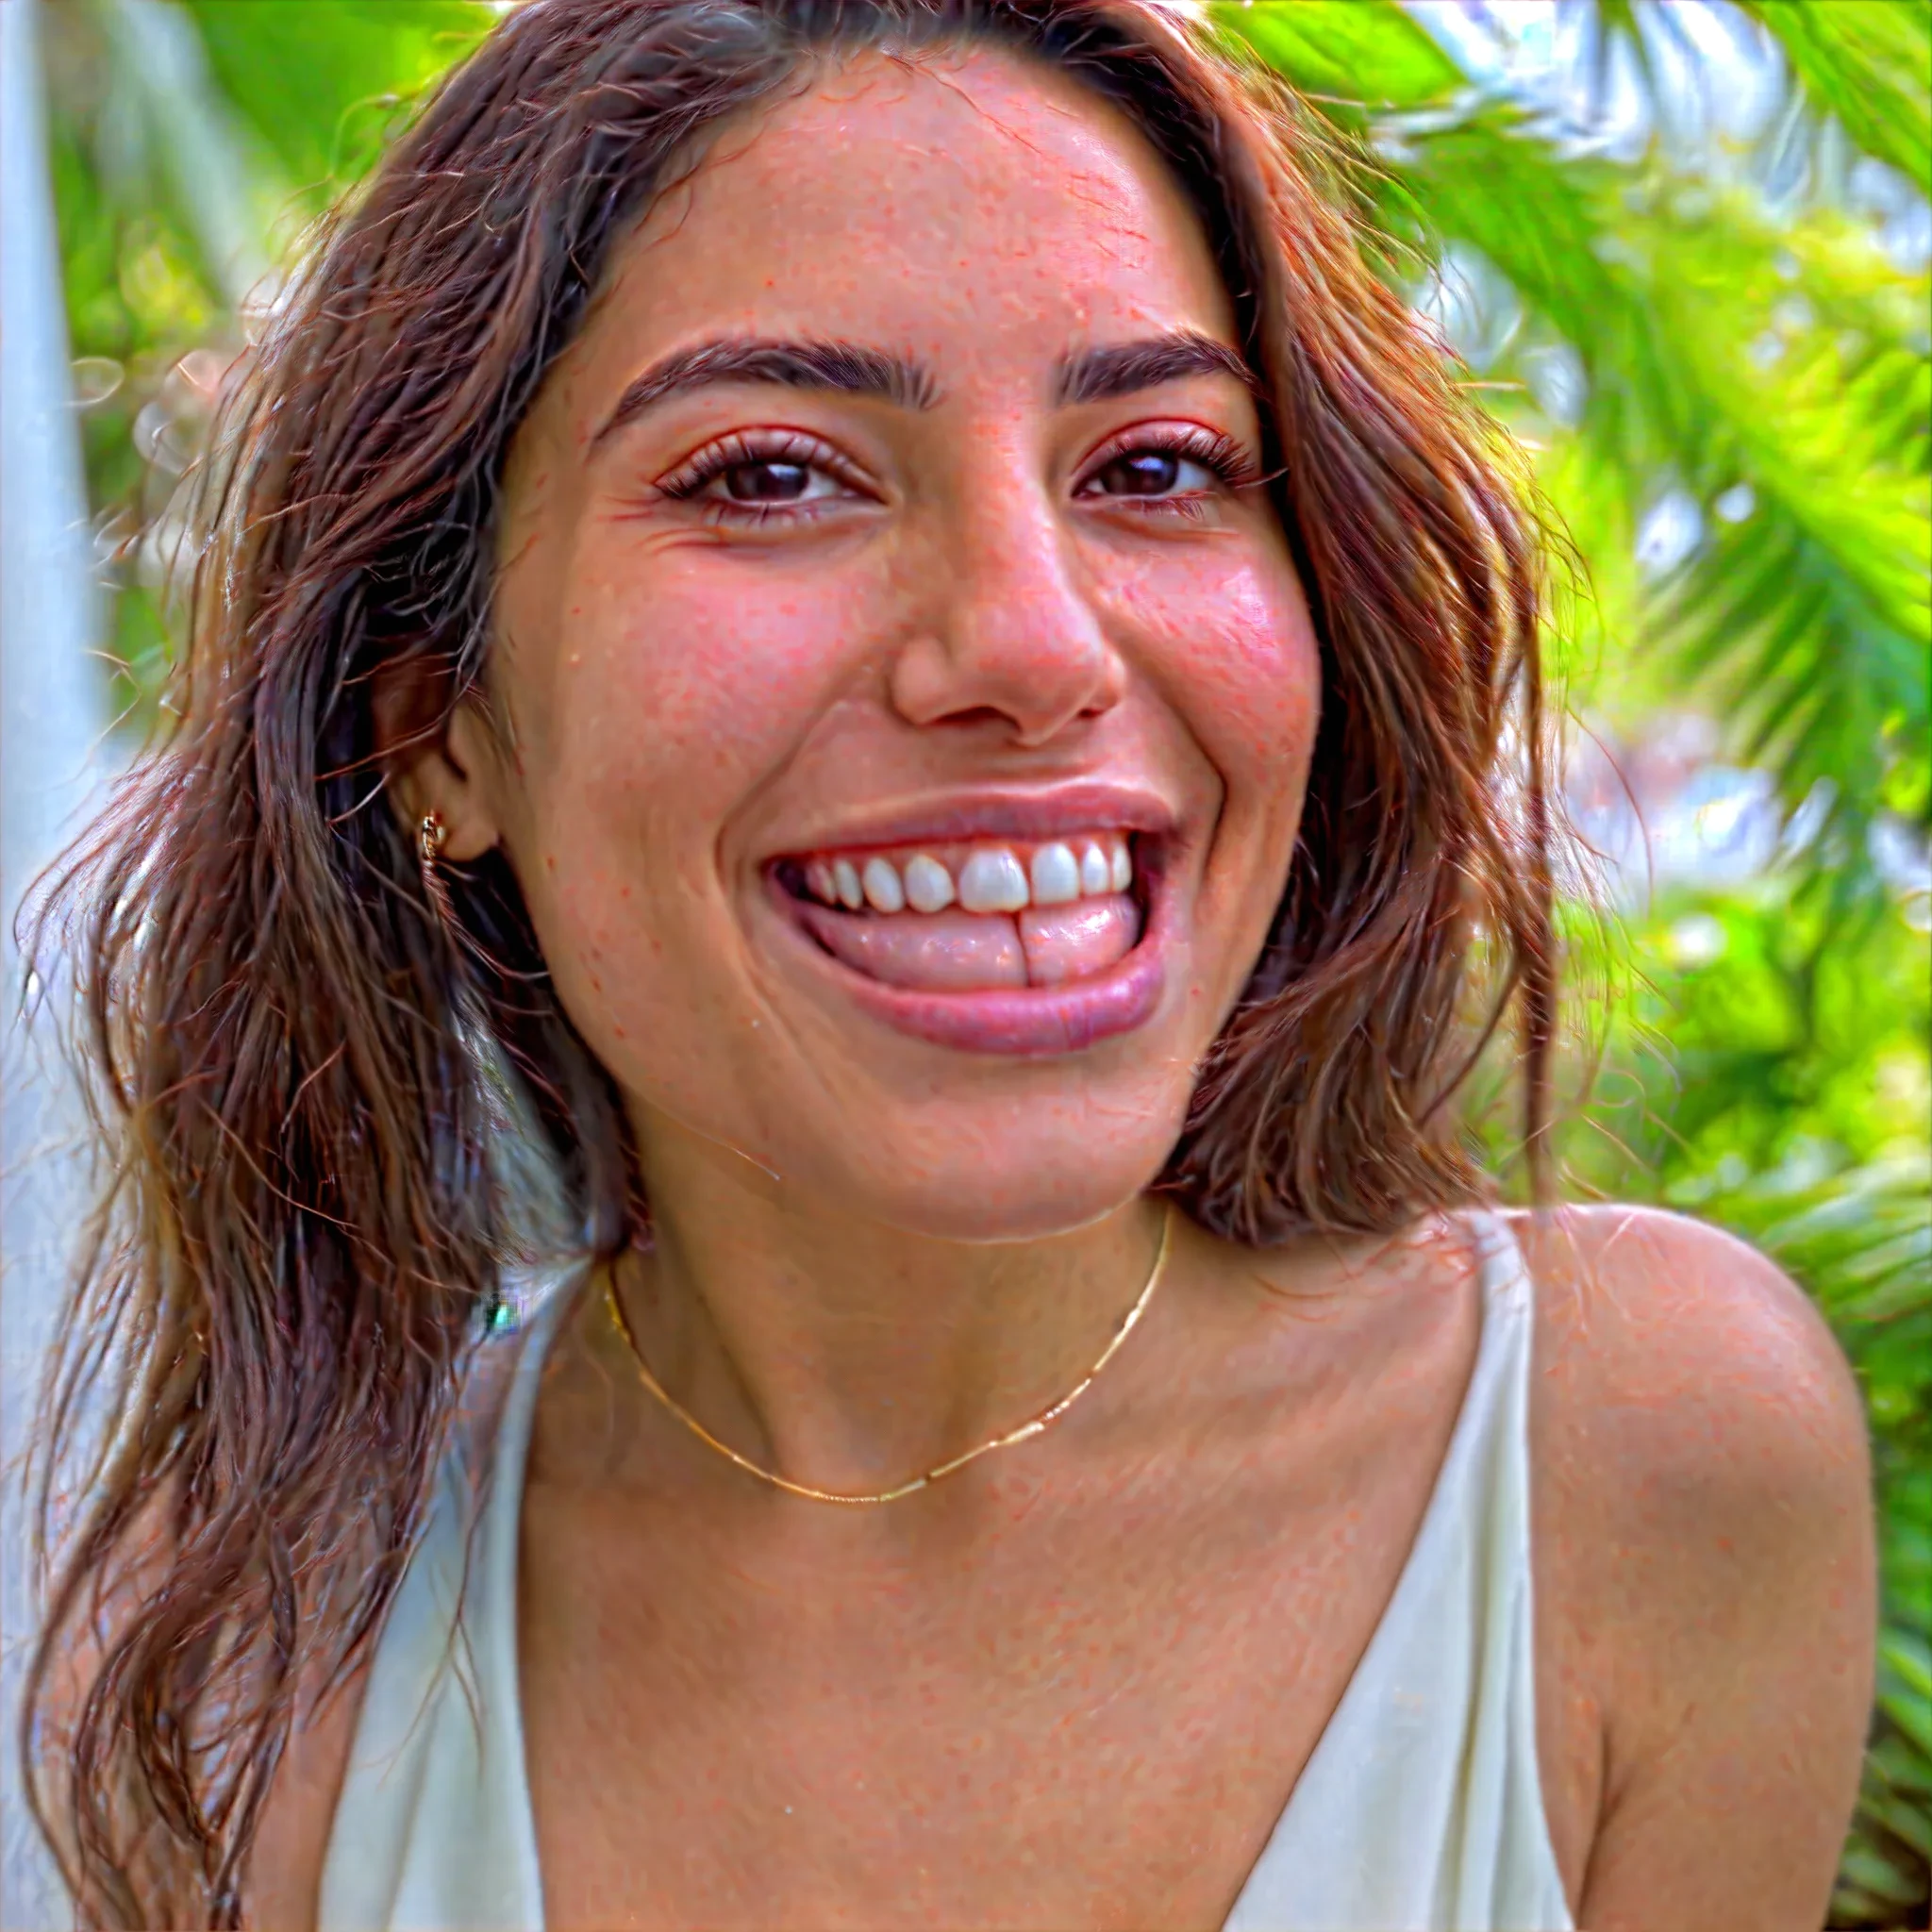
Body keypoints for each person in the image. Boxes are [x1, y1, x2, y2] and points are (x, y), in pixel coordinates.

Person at [23, 3, 1874, 1927]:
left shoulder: (1638, 1461)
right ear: (440, 733)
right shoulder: (247, 1667)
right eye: (771, 476)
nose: (1031, 642)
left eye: (1155, 464)